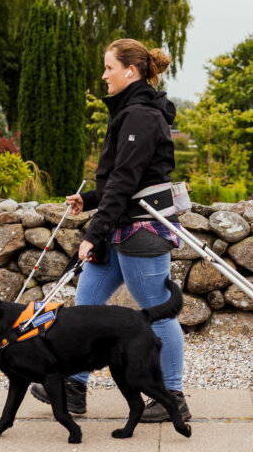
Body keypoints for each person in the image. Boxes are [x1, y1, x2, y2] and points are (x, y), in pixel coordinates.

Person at [30, 38, 189, 423]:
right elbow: (121, 183)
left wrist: (91, 233)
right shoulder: (131, 111)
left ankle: (172, 396)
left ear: (129, 71)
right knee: (86, 306)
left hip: (141, 232)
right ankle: (74, 387)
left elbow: (126, 180)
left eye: (108, 68)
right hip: (121, 227)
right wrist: (93, 199)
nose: (103, 76)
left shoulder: (140, 116)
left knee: (158, 313)